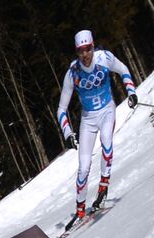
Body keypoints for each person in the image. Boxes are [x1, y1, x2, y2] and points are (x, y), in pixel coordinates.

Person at [57, 29, 137, 226]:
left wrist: (131, 91)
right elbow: (61, 108)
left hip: (107, 109)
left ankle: (103, 188)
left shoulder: (104, 58)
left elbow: (124, 70)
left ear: (93, 46)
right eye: (80, 51)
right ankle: (80, 209)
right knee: (83, 167)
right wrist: (67, 132)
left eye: (88, 49)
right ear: (76, 52)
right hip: (88, 119)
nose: (85, 55)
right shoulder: (72, 73)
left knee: (107, 143)